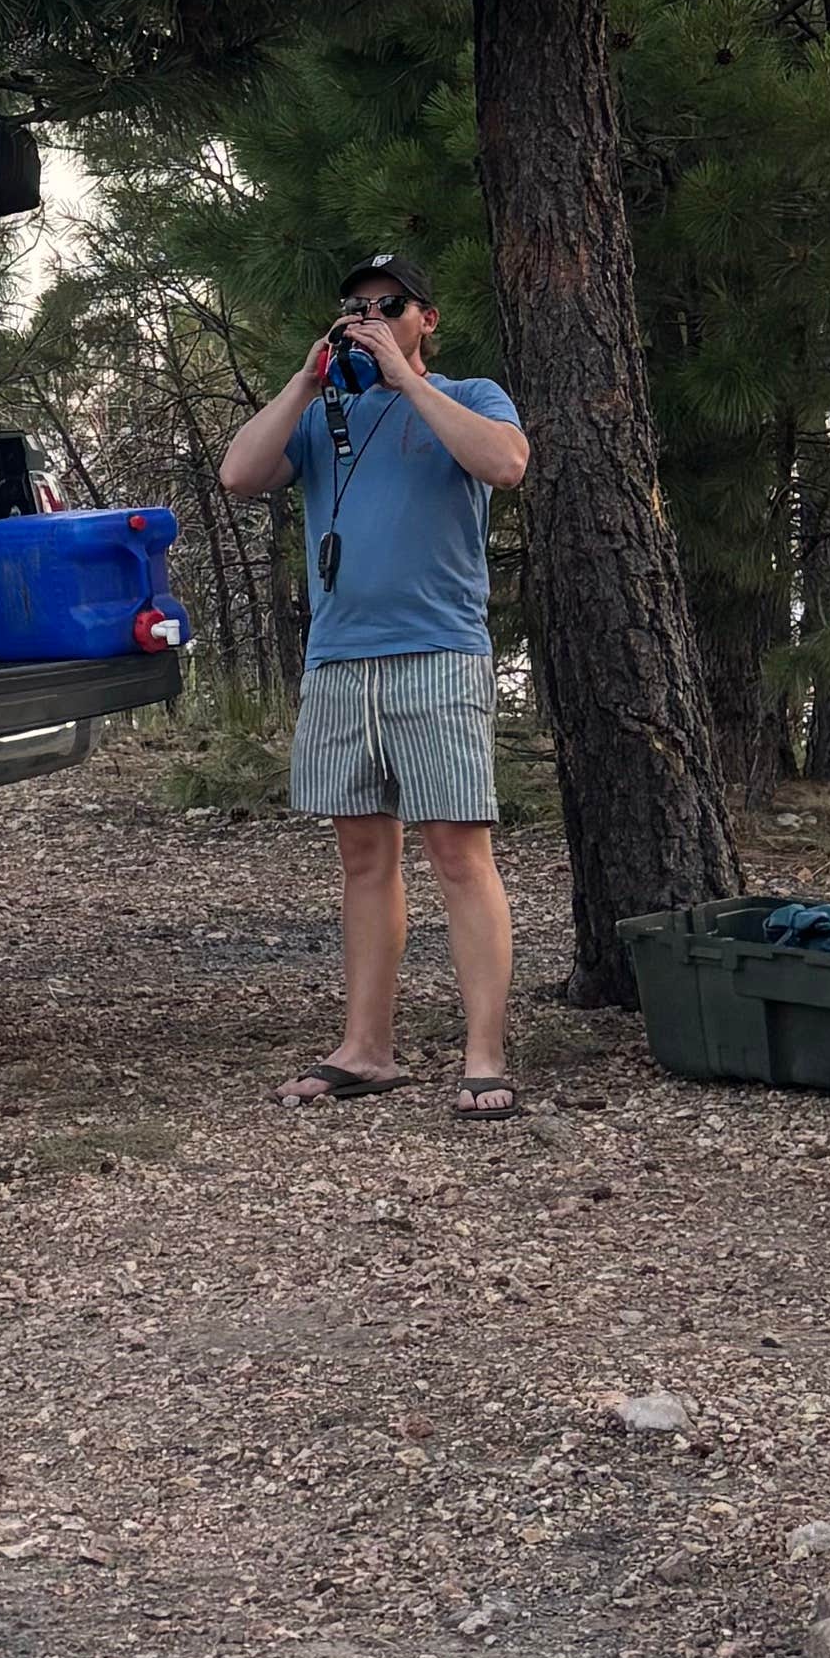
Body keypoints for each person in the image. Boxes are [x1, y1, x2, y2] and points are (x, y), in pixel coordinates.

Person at [218, 257, 534, 1118]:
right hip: (340, 657)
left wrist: (401, 377)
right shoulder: (325, 418)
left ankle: (484, 1054)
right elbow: (240, 476)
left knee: (457, 853)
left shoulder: (473, 393)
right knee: (364, 855)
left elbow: (505, 464)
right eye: (352, 307)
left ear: (426, 317)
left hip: (437, 652)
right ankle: (367, 1049)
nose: (366, 317)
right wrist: (305, 378)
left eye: (386, 306)